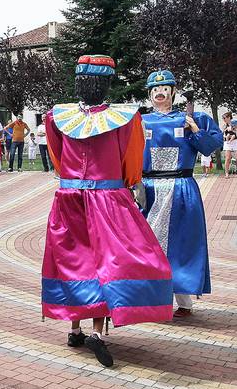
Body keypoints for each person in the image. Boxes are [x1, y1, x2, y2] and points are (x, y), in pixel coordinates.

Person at [42, 55, 173, 368]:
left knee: (72, 262)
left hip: (69, 197)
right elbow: (131, 161)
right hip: (108, 199)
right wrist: (128, 184)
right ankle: (98, 334)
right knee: (108, 263)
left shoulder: (56, 116)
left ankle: (74, 328)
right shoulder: (127, 118)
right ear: (107, 84)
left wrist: (73, 181)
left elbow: (57, 157)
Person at [140, 69, 224, 317]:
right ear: (149, 93)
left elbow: (210, 148)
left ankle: (184, 300)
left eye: (164, 88)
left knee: (182, 243)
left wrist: (196, 129)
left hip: (181, 188)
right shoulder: (141, 121)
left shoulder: (193, 117)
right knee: (149, 244)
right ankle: (151, 297)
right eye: (155, 89)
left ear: (173, 92)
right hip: (149, 189)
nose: (159, 93)